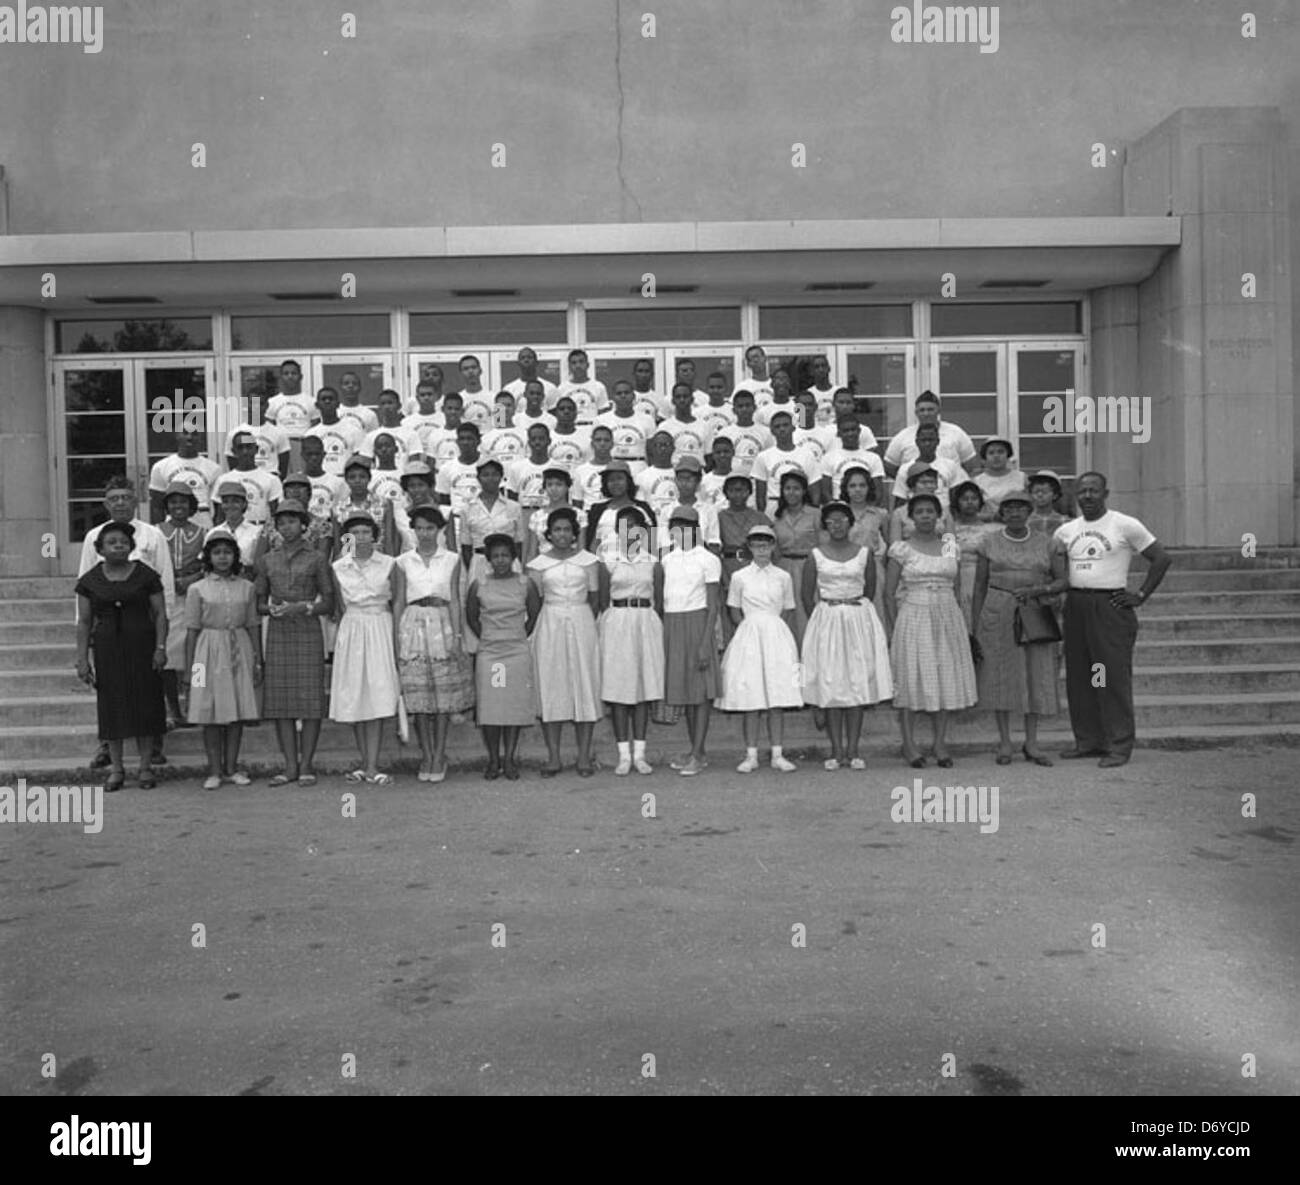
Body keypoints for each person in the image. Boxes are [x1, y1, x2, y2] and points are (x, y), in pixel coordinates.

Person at [1051, 472, 1171, 767]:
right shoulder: (1066, 531)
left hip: (1110, 606)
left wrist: (1140, 594)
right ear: (1074, 495)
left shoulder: (1124, 524)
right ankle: (1089, 741)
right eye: (1082, 491)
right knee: (1081, 677)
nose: (1087, 496)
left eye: (1094, 490)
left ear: (1106, 493)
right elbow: (1057, 566)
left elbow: (1162, 558)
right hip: (1077, 605)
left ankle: (1118, 745)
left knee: (1110, 677)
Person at [78, 475, 175, 771]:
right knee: (112, 694)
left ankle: (154, 745)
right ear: (106, 504)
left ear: (136, 500)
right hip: (108, 626)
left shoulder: (152, 535)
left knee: (147, 690)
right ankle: (108, 748)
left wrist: (164, 630)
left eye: (126, 497)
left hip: (144, 625)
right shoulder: (93, 536)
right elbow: (84, 584)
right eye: (114, 498)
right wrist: (85, 638)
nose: (120, 502)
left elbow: (164, 581)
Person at [884, 492, 978, 767]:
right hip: (914, 616)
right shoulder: (900, 548)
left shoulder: (949, 545)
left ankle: (940, 743)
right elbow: (889, 593)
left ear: (939, 516)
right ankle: (909, 744)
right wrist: (893, 627)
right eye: (920, 512)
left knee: (945, 675)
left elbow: (957, 586)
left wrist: (960, 619)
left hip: (947, 614)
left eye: (930, 511)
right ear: (911, 518)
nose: (925, 516)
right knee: (911, 678)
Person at [970, 491, 1060, 767]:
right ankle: (1005, 742)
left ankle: (1032, 742)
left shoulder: (1048, 543)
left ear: (1030, 511)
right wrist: (975, 624)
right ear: (1002, 513)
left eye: (1021, 507)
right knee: (1000, 674)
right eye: (1009, 508)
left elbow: (1063, 580)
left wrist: (1040, 590)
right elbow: (979, 585)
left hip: (1034, 610)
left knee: (1036, 674)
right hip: (998, 610)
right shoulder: (988, 542)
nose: (1015, 513)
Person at [801, 502, 894, 769]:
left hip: (857, 620)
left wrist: (852, 613)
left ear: (850, 523)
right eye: (831, 521)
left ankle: (853, 751)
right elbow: (807, 596)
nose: (837, 524)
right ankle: (836, 750)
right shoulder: (815, 555)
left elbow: (870, 590)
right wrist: (825, 618)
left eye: (842, 519)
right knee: (831, 684)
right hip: (827, 620)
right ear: (825, 525)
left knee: (856, 684)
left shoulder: (864, 553)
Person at [255, 499, 335, 787]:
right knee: (281, 702)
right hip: (278, 632)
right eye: (281, 522)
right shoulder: (268, 559)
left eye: (292, 521)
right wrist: (272, 609)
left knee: (310, 700)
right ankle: (289, 766)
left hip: (308, 630)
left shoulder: (316, 558)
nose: (287, 527)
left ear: (303, 525)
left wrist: (304, 607)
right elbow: (258, 601)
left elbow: (329, 601)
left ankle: (306, 765)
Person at [394, 505, 474, 784]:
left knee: (442, 698)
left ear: (439, 530)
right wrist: (396, 638)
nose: (424, 533)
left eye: (430, 528)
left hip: (442, 623)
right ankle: (425, 754)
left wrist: (457, 635)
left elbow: (455, 597)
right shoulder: (403, 561)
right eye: (419, 528)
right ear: (412, 530)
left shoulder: (451, 559)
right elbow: (399, 601)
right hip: (413, 625)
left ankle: (439, 754)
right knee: (419, 698)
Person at [716, 522, 801, 772]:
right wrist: (750, 630)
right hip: (749, 637)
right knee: (751, 697)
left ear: (774, 546)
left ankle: (777, 754)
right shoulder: (739, 577)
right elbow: (733, 609)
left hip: (777, 637)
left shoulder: (783, 576)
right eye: (756, 544)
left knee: (777, 698)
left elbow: (788, 608)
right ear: (749, 547)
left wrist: (774, 630)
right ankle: (751, 755)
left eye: (766, 544)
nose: (762, 549)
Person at [527, 507, 603, 776]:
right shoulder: (537, 565)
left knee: (585, 684)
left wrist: (581, 620)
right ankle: (554, 757)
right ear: (548, 533)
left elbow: (595, 599)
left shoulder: (589, 561)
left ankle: (584, 757)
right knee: (552, 686)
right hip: (550, 624)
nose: (562, 534)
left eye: (567, 529)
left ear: (574, 533)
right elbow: (533, 602)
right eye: (557, 529)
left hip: (582, 622)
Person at [184, 529, 263, 791]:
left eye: (227, 552)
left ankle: (232, 767)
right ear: (208, 557)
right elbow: (192, 630)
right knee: (210, 711)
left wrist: (257, 659)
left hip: (239, 647)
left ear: (235, 556)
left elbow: (253, 624)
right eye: (217, 553)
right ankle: (214, 770)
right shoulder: (198, 589)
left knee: (237, 712)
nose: (222, 558)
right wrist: (191, 670)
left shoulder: (247, 588)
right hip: (207, 651)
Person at [330, 512, 401, 783]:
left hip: (379, 627)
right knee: (356, 696)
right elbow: (339, 606)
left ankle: (374, 765)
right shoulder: (339, 567)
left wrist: (395, 639)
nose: (360, 537)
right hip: (352, 629)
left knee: (378, 694)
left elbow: (396, 601)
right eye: (354, 533)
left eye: (365, 532)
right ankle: (364, 764)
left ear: (375, 535)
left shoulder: (389, 563)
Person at [466, 534, 541, 781]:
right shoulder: (480, 584)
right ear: (488, 559)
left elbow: (533, 614)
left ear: (513, 558)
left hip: (516, 651)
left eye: (505, 556)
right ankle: (493, 759)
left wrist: (516, 636)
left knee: (512, 705)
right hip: (491, 653)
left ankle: (509, 758)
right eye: (496, 556)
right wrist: (489, 636)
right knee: (491, 706)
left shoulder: (525, 583)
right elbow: (471, 616)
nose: (500, 560)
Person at [598, 506, 663, 775]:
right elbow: (602, 601)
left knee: (642, 690)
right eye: (624, 526)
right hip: (618, 621)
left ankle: (640, 754)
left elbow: (658, 600)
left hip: (645, 621)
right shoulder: (608, 561)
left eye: (635, 526)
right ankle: (623, 755)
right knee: (620, 689)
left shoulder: (653, 561)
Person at [657, 507, 722, 777]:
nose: (681, 530)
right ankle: (697, 751)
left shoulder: (708, 559)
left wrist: (706, 641)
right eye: (676, 525)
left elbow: (713, 604)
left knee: (700, 693)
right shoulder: (666, 559)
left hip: (698, 624)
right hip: (673, 624)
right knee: (684, 690)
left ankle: (697, 752)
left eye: (687, 525)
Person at [159, 481, 207, 729]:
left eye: (184, 502)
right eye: (173, 502)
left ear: (192, 506)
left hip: (193, 596)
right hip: (167, 599)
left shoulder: (202, 532)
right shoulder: (157, 531)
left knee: (195, 656)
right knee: (167, 657)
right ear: (166, 505)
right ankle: (173, 709)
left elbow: (207, 564)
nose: (178, 506)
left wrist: (192, 578)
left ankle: (194, 705)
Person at [883, 391, 977, 481]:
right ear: (916, 412)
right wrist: (908, 482)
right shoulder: (902, 437)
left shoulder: (956, 433)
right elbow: (889, 466)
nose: (926, 413)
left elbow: (970, 464)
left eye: (930, 409)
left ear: (939, 411)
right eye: (922, 410)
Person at [772, 471, 819, 649]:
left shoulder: (815, 514)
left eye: (796, 489)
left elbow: (822, 544)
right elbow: (775, 548)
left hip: (809, 566)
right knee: (787, 611)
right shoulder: (777, 517)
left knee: (807, 610)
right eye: (788, 488)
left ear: (804, 491)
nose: (792, 493)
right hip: (784, 567)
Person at [751, 408, 821, 517]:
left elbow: (814, 488)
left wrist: (813, 512)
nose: (782, 429)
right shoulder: (763, 457)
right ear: (772, 431)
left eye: (785, 425)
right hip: (773, 506)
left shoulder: (807, 455)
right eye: (777, 427)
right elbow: (760, 495)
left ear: (793, 427)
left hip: (800, 506)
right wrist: (762, 516)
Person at [949, 481, 999, 631]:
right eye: (964, 499)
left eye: (974, 498)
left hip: (982, 579)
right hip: (956, 578)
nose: (969, 502)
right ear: (957, 502)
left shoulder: (992, 531)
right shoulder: (948, 531)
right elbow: (947, 558)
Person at [149, 427, 220, 529]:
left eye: (194, 434)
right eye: (185, 433)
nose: (189, 437)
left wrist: (215, 530)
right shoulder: (160, 467)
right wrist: (158, 530)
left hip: (204, 525)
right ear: (177, 436)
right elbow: (157, 506)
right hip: (171, 526)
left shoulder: (214, 468)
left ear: (200, 438)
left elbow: (219, 506)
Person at [583, 459, 656, 557]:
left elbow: (651, 542)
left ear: (628, 481)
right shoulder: (597, 510)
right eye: (611, 480)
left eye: (620, 478)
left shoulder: (642, 508)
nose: (615, 483)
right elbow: (593, 546)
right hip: (604, 563)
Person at [891, 422, 967, 507]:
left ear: (938, 441)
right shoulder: (905, 469)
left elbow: (956, 498)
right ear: (917, 442)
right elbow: (900, 501)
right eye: (923, 440)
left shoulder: (951, 466)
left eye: (931, 440)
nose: (927, 443)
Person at [219, 430, 282, 528]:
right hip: (231, 532)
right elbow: (220, 515)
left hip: (261, 530)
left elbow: (276, 514)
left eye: (248, 447)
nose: (245, 452)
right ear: (233, 451)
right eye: (240, 448)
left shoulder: (271, 479)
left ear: (256, 449)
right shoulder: (223, 480)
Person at [822, 413, 887, 506]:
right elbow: (825, 492)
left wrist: (867, 512)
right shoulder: (828, 458)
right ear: (839, 433)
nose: (850, 434)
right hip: (839, 507)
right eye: (846, 431)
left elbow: (878, 493)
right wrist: (837, 510)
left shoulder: (873, 458)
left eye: (853, 430)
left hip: (866, 508)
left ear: (859, 431)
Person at [524, 467, 585, 565]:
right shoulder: (536, 516)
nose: (554, 489)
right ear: (545, 488)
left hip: (572, 566)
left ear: (567, 487)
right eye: (550, 485)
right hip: (543, 566)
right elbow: (532, 552)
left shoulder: (579, 515)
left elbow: (581, 549)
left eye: (559, 485)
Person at [304, 386, 364, 479]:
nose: (327, 401)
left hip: (345, 479)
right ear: (317, 405)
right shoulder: (310, 434)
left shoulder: (354, 431)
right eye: (324, 399)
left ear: (338, 404)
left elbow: (359, 461)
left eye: (331, 399)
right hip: (320, 480)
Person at [595, 379, 655, 469]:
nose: (623, 396)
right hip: (612, 466)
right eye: (619, 393)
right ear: (613, 397)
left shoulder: (647, 419)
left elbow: (652, 451)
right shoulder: (601, 420)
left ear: (634, 396)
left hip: (639, 467)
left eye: (626, 393)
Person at [713, 389, 772, 481]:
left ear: (754, 408)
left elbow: (769, 460)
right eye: (740, 406)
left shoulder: (766, 432)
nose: (744, 409)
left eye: (748, 405)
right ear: (734, 410)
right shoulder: (724, 433)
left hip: (757, 482)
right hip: (732, 483)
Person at [634, 430, 681, 523]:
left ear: (673, 448)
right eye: (659, 445)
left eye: (666, 445)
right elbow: (641, 506)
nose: (663, 449)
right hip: (653, 524)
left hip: (679, 523)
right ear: (652, 448)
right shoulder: (642, 476)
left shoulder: (681, 473)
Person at [659, 382, 713, 464]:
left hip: (698, 473)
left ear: (692, 400)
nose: (682, 400)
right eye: (678, 397)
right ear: (673, 401)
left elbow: (709, 456)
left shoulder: (704, 426)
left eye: (685, 396)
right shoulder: (664, 427)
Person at [299, 434, 348, 522]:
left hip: (329, 527)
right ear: (302, 455)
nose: (314, 458)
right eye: (309, 454)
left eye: (317, 454)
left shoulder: (338, 482)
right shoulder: (294, 481)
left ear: (324, 454)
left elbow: (343, 512)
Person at [972, 438, 1026, 518]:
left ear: (1008, 455)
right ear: (985, 457)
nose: (996, 456)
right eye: (991, 453)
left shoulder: (1022, 478)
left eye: (1000, 452)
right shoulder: (976, 482)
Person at [555, 348, 608, 424]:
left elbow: (604, 413)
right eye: (574, 363)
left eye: (581, 362)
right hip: (571, 430)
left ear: (587, 365)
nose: (578, 365)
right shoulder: (561, 389)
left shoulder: (599, 387)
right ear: (569, 367)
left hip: (592, 429)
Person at [573, 424, 616, 507]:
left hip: (617, 516)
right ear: (592, 444)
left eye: (606, 440)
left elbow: (627, 502)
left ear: (612, 444)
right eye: (598, 440)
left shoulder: (621, 467)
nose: (602, 443)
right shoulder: (580, 471)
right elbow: (577, 502)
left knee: (625, 518)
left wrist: (623, 520)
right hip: (590, 516)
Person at [547, 396, 593, 469]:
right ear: (556, 413)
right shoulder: (547, 437)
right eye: (562, 409)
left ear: (576, 413)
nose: (566, 412)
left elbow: (589, 466)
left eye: (570, 409)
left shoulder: (586, 438)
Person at [455, 355, 495, 431]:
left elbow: (501, 426)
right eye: (466, 369)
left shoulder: (496, 398)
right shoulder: (456, 400)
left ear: (480, 370)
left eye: (474, 367)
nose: (470, 371)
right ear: (461, 373)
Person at [1026, 470, 1067, 537]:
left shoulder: (1065, 522)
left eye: (1044, 492)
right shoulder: (1024, 521)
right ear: (1031, 494)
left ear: (1055, 495)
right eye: (1036, 491)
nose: (1040, 495)